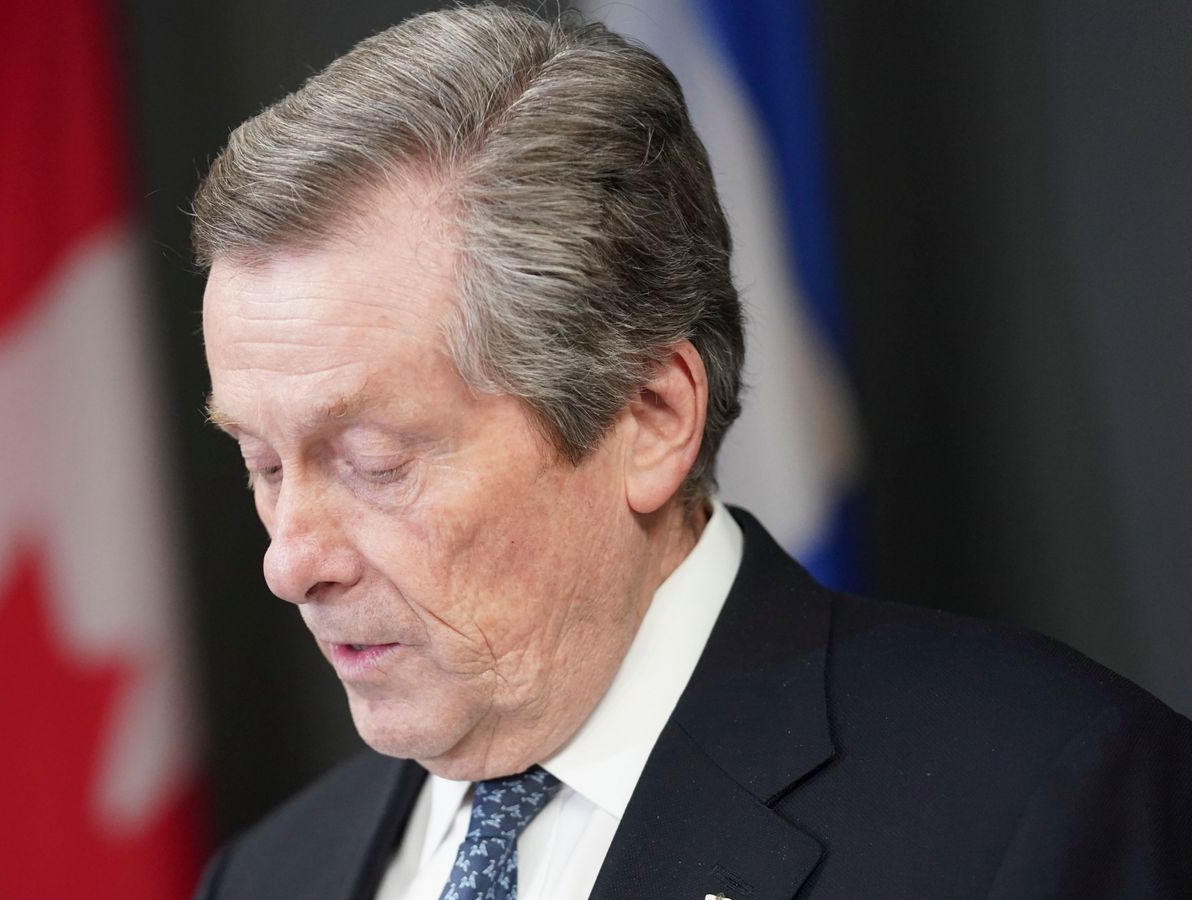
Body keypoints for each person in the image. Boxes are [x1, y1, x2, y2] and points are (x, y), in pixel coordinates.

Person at [189, 6, 1192, 898]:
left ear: (650, 417)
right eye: (261, 464)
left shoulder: (1032, 803)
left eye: (373, 461)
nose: (290, 562)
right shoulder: (267, 876)